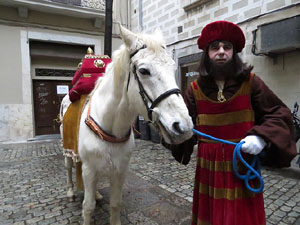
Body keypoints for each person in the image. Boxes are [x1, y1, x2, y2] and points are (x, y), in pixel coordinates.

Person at [164, 20, 297, 225]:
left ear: (233, 52)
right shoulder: (194, 89)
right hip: (209, 168)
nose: (221, 52)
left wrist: (261, 137)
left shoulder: (251, 82)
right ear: (207, 53)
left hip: (242, 163)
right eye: (215, 47)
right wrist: (167, 124)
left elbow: (279, 113)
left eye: (227, 47)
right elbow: (183, 127)